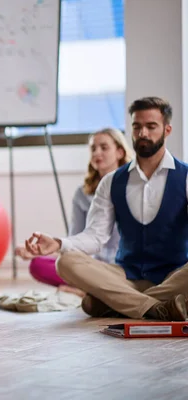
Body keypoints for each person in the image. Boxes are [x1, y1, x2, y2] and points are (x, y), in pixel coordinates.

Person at [25, 97, 188, 321]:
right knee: (66, 261)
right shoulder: (112, 181)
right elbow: (95, 236)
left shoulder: (185, 177)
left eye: (151, 126)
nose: (143, 133)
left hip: (173, 275)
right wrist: (59, 243)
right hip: (125, 275)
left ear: (167, 130)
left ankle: (114, 304)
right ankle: (157, 308)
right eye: (137, 126)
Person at [15, 128, 132, 293]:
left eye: (104, 147)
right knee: (38, 265)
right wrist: (39, 252)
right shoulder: (82, 193)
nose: (97, 152)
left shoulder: (131, 188)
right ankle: (91, 290)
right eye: (93, 148)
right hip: (90, 265)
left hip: (121, 268)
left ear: (120, 152)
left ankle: (87, 291)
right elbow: (74, 240)